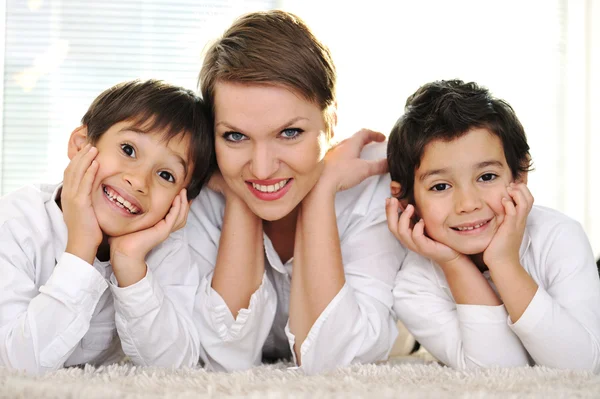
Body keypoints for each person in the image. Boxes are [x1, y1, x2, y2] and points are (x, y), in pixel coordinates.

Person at [188, 10, 406, 374]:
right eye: (235, 136)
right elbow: (224, 359)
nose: (261, 168)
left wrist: (321, 192)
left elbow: (334, 360)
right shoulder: (199, 189)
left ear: (330, 121)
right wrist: (239, 198)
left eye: (289, 133)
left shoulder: (374, 187)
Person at [0, 79, 213, 374]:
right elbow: (14, 366)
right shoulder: (15, 224)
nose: (138, 181)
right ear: (81, 144)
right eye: (128, 149)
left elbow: (177, 366)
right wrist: (81, 247)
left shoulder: (164, 246)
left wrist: (130, 264)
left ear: (181, 202)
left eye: (166, 174)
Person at [386, 79, 600, 371]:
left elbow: (581, 366)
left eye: (486, 177)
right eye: (440, 186)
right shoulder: (413, 286)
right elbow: (501, 373)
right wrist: (454, 264)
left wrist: (504, 263)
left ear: (519, 176)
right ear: (405, 201)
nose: (468, 203)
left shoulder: (559, 237)